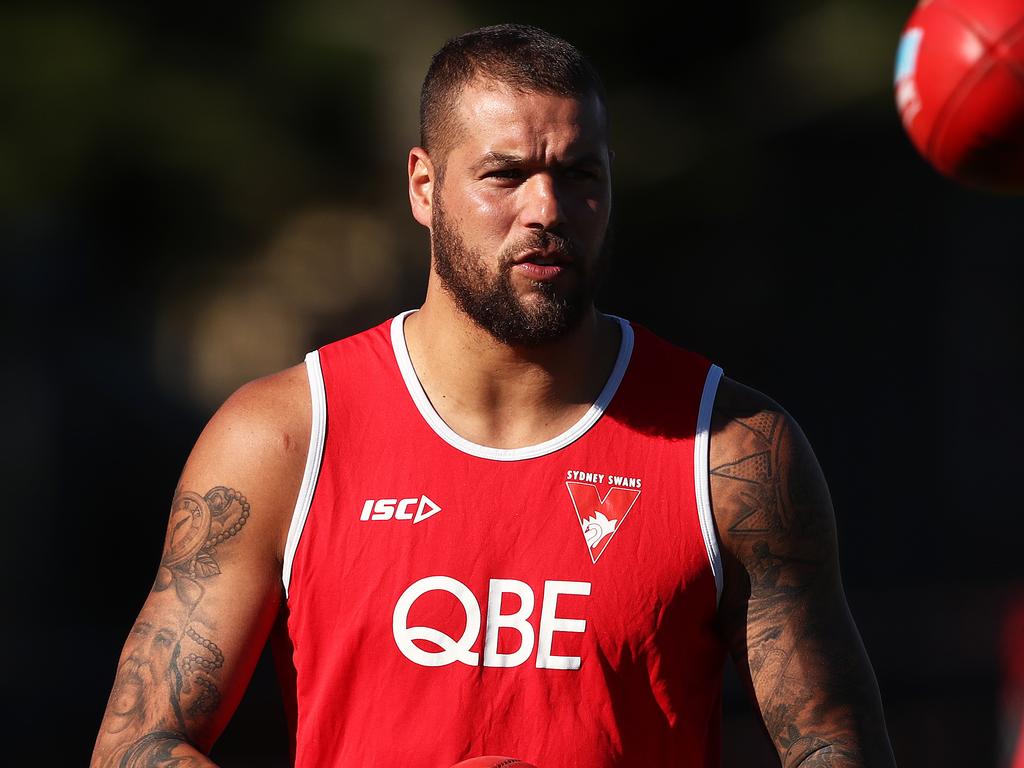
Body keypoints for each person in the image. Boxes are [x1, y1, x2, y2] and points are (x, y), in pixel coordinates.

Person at [91, 23, 897, 768]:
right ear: (423, 185)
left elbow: (835, 747)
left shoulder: (733, 450)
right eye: (504, 175)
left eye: (579, 175)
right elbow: (136, 744)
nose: (546, 211)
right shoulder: (283, 439)